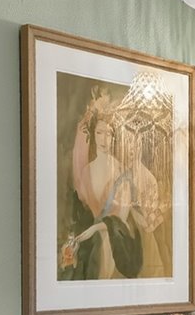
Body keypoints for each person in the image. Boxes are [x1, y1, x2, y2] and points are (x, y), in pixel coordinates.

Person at [61, 91, 166, 279]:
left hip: (114, 247)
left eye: (109, 134)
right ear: (92, 134)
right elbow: (81, 216)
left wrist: (95, 229)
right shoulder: (86, 172)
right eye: (99, 133)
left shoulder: (122, 173)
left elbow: (120, 221)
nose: (104, 140)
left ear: (115, 137)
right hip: (90, 246)